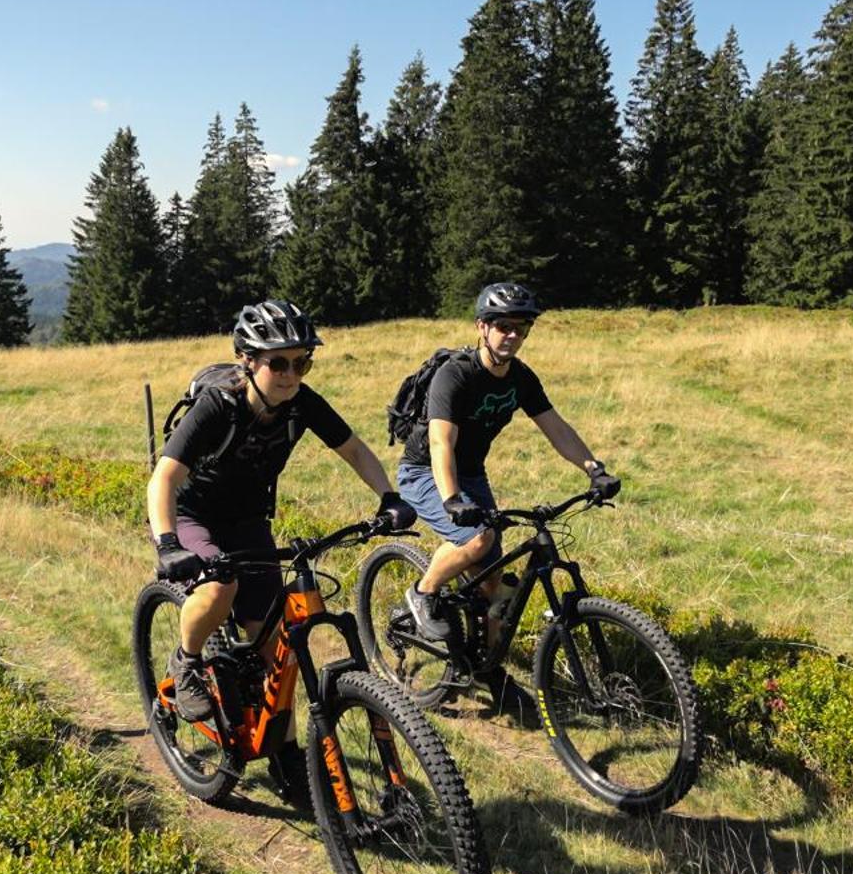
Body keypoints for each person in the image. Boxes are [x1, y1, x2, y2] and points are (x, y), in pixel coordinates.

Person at [147, 299, 413, 722]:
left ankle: (284, 755)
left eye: (301, 363)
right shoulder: (217, 407)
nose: (291, 375)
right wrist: (167, 544)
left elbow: (354, 450)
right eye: (279, 364)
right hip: (191, 515)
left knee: (275, 653)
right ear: (248, 361)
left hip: (249, 519)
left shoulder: (302, 404)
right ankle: (187, 660)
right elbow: (164, 478)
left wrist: (389, 496)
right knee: (220, 587)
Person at [394, 282, 620, 644]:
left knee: (491, 582)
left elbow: (557, 428)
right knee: (478, 540)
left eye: (522, 328)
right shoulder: (455, 375)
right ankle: (424, 593)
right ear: (482, 326)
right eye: (503, 326)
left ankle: (486, 668)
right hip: (425, 470)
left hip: (471, 473)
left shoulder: (521, 378)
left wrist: (595, 469)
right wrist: (452, 499)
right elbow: (441, 441)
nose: (512, 335)